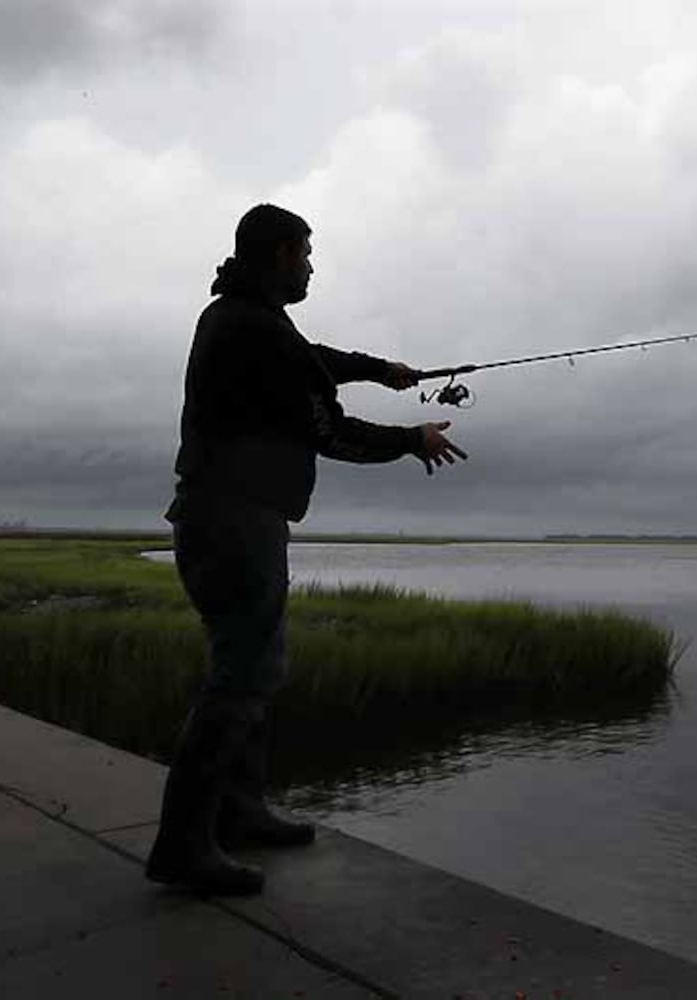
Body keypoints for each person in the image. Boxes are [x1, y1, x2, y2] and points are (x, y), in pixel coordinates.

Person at [145, 203, 466, 895]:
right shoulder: (253, 328)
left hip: (232, 514)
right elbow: (329, 429)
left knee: (255, 665)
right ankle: (183, 846)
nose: (313, 266)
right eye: (307, 255)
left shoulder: (242, 318)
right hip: (234, 520)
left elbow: (313, 363)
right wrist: (412, 440)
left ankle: (239, 811)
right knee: (239, 676)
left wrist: (383, 369)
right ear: (282, 254)